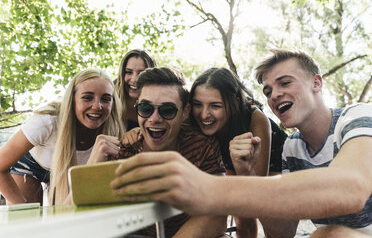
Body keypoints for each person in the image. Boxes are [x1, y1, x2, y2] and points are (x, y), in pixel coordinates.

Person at [110, 49, 372, 237]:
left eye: (285, 82)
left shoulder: (357, 116)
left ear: (317, 82)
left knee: (331, 233)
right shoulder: (294, 148)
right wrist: (245, 173)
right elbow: (282, 233)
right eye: (267, 90)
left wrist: (210, 189)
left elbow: (351, 187)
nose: (275, 94)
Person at [117, 67, 227, 238]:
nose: (154, 118)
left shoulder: (202, 147)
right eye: (146, 108)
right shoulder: (125, 151)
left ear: (185, 113)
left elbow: (218, 214)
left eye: (167, 110)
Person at [0, 69, 124, 205]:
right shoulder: (47, 122)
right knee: (27, 220)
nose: (97, 106)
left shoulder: (112, 129)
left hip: (66, 169)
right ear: (72, 100)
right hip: (31, 165)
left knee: (62, 219)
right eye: (87, 97)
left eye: (106, 99)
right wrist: (22, 208)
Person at [189, 67, 288, 237]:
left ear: (234, 102)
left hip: (271, 160)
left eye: (215, 106)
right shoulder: (190, 118)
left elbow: (255, 187)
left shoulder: (256, 119)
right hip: (229, 159)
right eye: (198, 104)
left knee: (258, 210)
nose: (204, 114)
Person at [115, 49, 156, 130]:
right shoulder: (111, 98)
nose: (134, 79)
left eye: (141, 73)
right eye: (129, 72)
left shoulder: (161, 101)